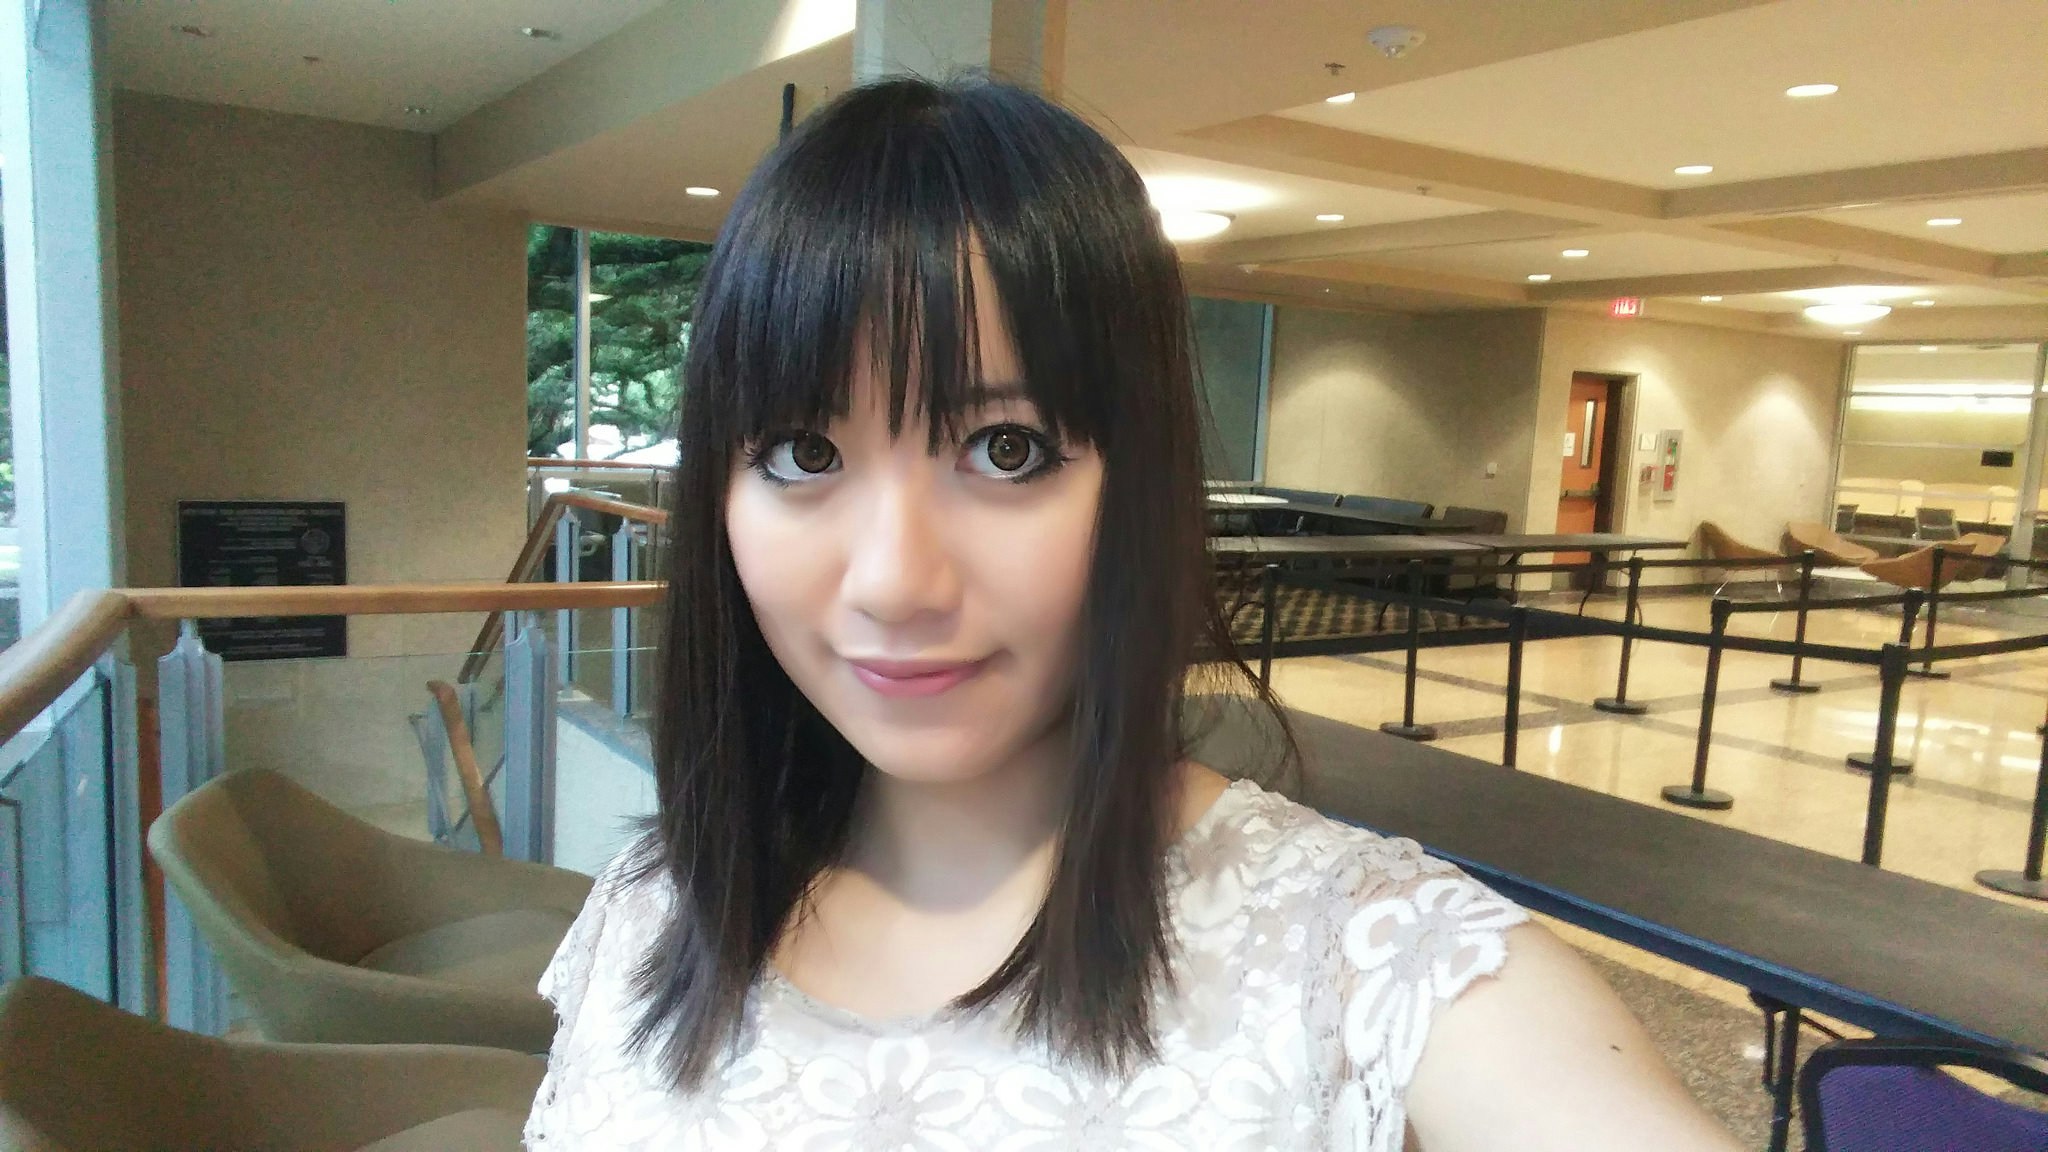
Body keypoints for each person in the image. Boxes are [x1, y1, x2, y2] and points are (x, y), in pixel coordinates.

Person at [524, 77, 1739, 1151]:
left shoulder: (1371, 969)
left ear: (1143, 484)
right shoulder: (649, 906)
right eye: (802, 452)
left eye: (1005, 449)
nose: (893, 582)